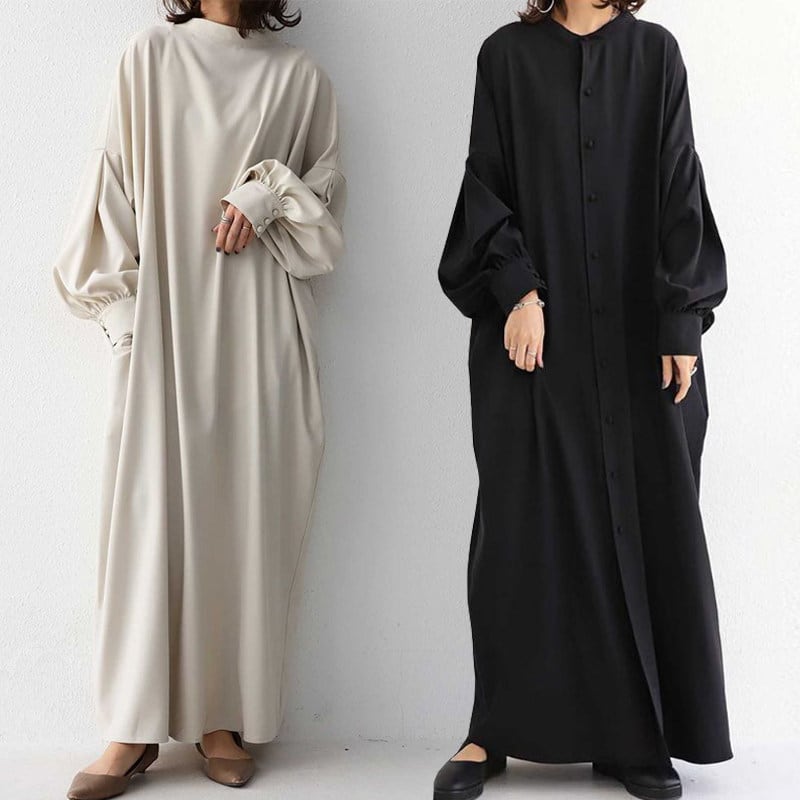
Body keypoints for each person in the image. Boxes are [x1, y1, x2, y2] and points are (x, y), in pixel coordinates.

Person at [433, 1, 731, 799]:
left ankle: (634, 737)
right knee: (519, 531)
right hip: (533, 343)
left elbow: (679, 180)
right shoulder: (506, 56)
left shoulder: (656, 55)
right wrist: (519, 290)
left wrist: (681, 317)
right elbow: (485, 184)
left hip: (640, 342)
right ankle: (491, 731)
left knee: (643, 519)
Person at [51, 1, 345, 797]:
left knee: (240, 522)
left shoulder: (300, 79)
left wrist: (267, 193)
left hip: (258, 334)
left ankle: (221, 717)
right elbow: (112, 189)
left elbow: (323, 223)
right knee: (146, 525)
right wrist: (124, 326)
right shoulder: (148, 58)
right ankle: (131, 727)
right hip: (163, 329)